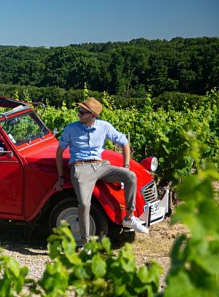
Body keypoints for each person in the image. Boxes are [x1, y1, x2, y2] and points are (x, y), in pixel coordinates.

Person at [54, 97, 149, 246]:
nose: (79, 114)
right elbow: (59, 153)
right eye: (79, 111)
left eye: (82, 112)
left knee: (130, 176)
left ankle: (129, 217)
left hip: (100, 166)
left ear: (93, 115)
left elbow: (124, 142)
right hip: (80, 168)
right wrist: (60, 176)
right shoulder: (70, 129)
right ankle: (85, 243)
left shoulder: (104, 127)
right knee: (84, 204)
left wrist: (126, 165)